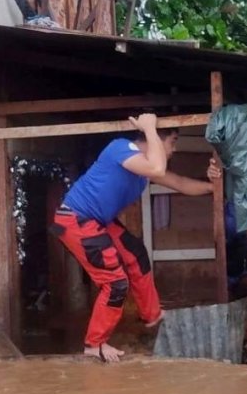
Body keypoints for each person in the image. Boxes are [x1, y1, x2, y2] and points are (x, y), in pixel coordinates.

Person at [51, 113, 221, 363]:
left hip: (99, 221)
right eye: (172, 142)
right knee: (115, 282)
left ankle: (152, 315)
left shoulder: (143, 167)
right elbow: (158, 167)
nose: (174, 149)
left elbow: (181, 183)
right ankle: (93, 345)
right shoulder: (121, 148)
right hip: (75, 220)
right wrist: (150, 127)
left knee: (136, 254)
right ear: (155, 139)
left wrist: (213, 187)